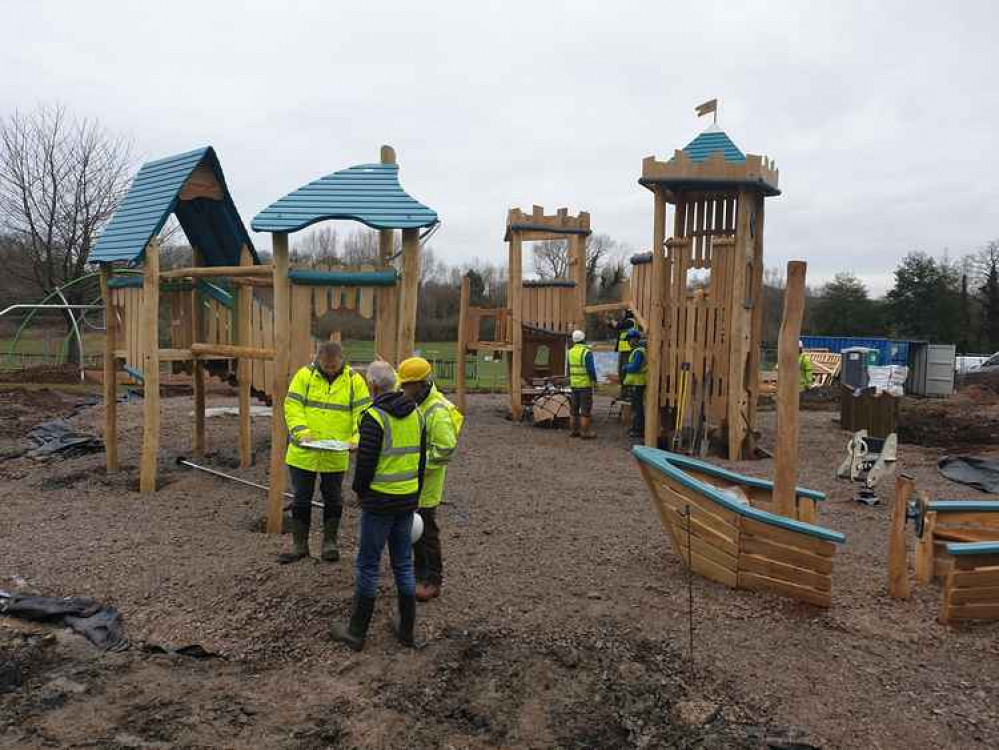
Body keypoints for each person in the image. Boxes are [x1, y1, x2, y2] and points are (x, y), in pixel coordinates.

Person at [331, 360, 427, 651]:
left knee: (368, 564)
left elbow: (366, 464)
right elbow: (420, 460)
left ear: (372, 385)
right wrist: (414, 493)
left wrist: (360, 492)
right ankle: (406, 630)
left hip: (380, 502)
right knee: (403, 563)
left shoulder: (373, 417)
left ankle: (357, 631)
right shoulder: (417, 414)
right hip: (407, 498)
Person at [279, 341, 370, 564]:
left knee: (333, 498)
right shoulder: (304, 376)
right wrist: (302, 432)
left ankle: (330, 543)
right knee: (301, 498)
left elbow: (363, 412)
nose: (330, 370)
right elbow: (292, 405)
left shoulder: (354, 381)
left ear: (342, 360)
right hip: (303, 452)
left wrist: (356, 438)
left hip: (335, 453)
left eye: (334, 366)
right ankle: (300, 545)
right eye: (326, 366)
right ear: (317, 359)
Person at [397, 356, 463, 602]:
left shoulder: (437, 410)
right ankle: (418, 573)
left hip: (426, 484)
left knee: (426, 532)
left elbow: (445, 450)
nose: (402, 390)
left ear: (421, 384)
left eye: (406, 386)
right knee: (414, 531)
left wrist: (416, 464)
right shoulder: (419, 403)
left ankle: (432, 579)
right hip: (414, 481)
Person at [567, 329, 597, 439]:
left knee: (574, 409)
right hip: (585, 385)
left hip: (574, 385)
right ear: (583, 339)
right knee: (585, 410)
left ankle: (574, 431)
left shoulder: (569, 352)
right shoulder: (586, 352)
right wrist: (595, 381)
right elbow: (591, 370)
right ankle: (585, 433)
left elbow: (569, 369)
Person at [621, 328, 647, 438]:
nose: (628, 342)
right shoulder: (637, 351)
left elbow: (635, 367)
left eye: (629, 340)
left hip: (638, 383)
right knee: (635, 406)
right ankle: (636, 427)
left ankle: (638, 429)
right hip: (635, 383)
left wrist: (626, 367)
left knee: (638, 407)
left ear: (635, 339)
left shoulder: (638, 352)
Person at [609, 313, 637, 397]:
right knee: (621, 372)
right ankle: (624, 392)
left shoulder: (630, 322)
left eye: (624, 312)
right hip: (624, 350)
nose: (623, 314)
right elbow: (616, 326)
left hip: (628, 350)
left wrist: (612, 320)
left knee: (625, 371)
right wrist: (609, 323)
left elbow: (618, 326)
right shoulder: (626, 323)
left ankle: (627, 393)